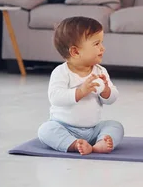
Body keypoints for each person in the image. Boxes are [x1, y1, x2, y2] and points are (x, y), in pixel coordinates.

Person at [38, 16, 124, 155]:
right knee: (46, 130)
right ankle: (73, 144)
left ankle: (99, 143)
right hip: (64, 127)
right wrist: (80, 91)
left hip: (93, 129)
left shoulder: (100, 71)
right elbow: (55, 98)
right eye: (97, 44)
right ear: (75, 52)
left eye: (101, 43)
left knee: (115, 126)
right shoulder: (61, 72)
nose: (103, 48)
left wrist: (106, 90)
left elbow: (112, 98)